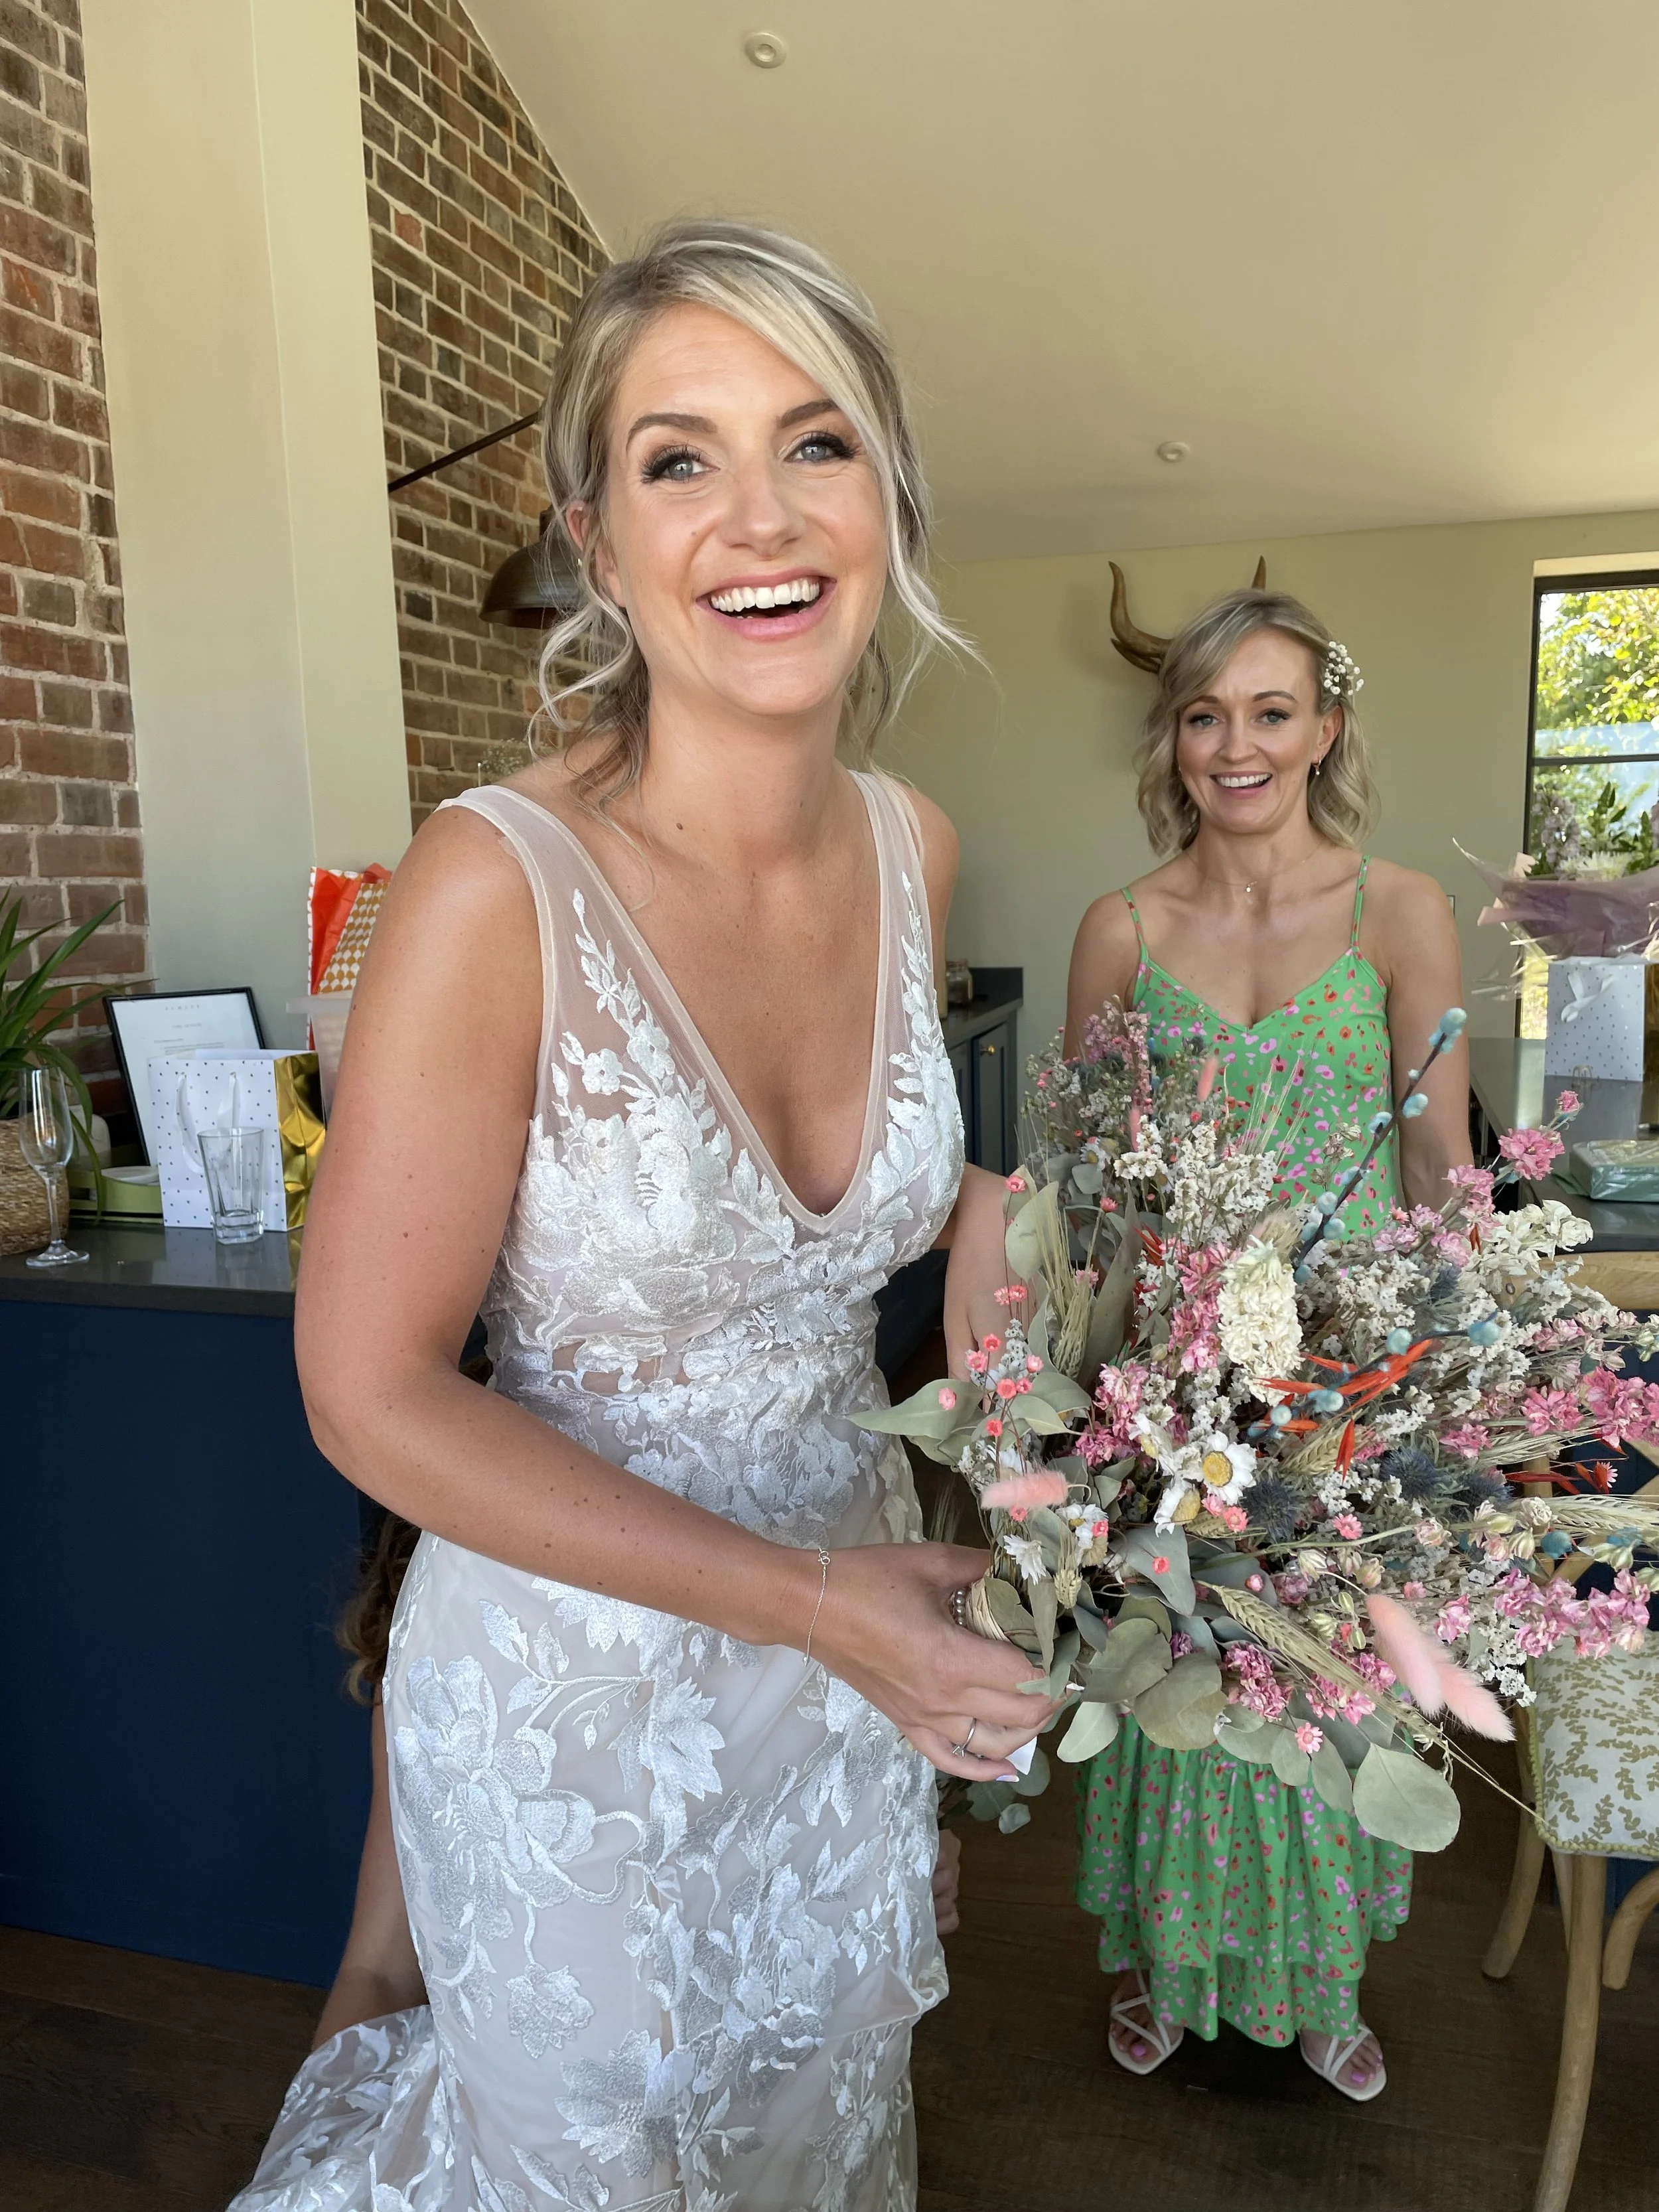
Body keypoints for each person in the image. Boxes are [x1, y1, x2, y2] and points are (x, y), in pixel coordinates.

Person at [231, 219, 1046, 2212]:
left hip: (855, 1659)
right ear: (596, 540)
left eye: (815, 442)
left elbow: (945, 1234)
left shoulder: (915, 844)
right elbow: (367, 1393)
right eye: (678, 458)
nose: (756, 516)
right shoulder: (487, 883)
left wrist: (1044, 1451)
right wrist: (810, 1606)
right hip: (580, 1716)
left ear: (891, 496)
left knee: (818, 2131)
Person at [1064, 587, 1470, 2101]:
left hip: (1342, 1376)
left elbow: (1436, 1170)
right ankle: (1168, 1966)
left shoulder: (1400, 910)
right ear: (1170, 739)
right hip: (1167, 1386)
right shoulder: (1117, 925)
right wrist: (1072, 1389)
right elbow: (1084, 1179)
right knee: (1172, 1677)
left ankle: (1316, 1980)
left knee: (1320, 1689)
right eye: (1201, 712)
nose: (1233, 744)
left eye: (1269, 710)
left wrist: (1435, 1377)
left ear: (1326, 728)